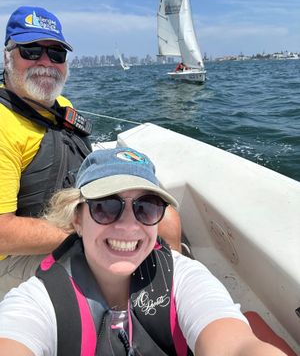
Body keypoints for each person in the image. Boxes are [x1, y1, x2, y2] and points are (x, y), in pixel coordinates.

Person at [0, 147, 287, 356]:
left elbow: (235, 345)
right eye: (105, 206)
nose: (128, 226)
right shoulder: (39, 301)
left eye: (146, 208)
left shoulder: (184, 279)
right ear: (77, 219)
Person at [0, 6, 182, 299]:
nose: (46, 62)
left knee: (166, 217)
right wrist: (88, 232)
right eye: (31, 51)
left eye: (56, 54)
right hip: (16, 257)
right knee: (122, 263)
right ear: (8, 55)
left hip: (75, 213)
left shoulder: (61, 105)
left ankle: (168, 302)